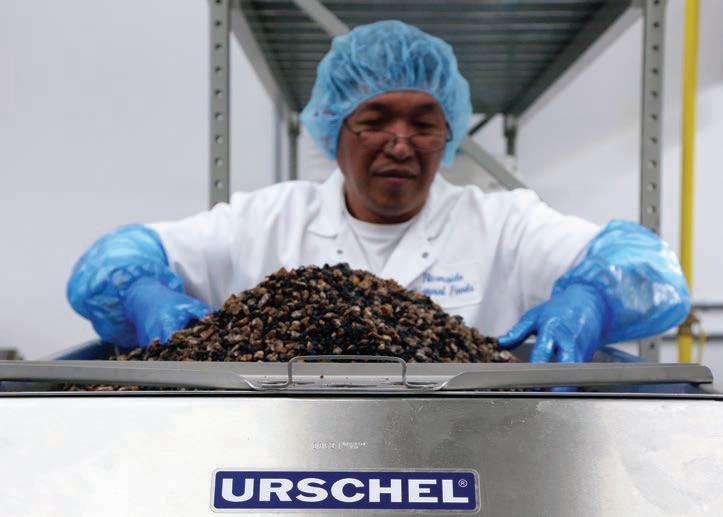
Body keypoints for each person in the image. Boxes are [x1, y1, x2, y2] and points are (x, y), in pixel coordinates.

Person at [67, 20, 690, 363]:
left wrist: (590, 299)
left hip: (476, 457)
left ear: (449, 134)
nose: (400, 143)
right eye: (374, 121)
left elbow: (650, 271)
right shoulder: (266, 219)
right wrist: (144, 294)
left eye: (424, 124)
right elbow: (114, 261)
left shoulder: (504, 224)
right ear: (334, 130)